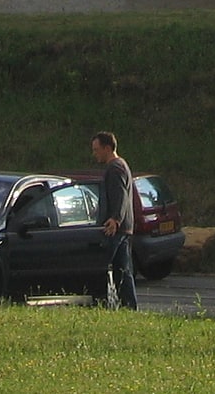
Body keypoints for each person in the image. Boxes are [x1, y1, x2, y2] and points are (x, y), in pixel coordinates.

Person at [90, 130, 138, 310]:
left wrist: (115, 219)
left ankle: (102, 303)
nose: (94, 154)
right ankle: (129, 307)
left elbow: (121, 196)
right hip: (125, 228)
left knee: (100, 267)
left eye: (97, 150)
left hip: (115, 229)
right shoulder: (122, 165)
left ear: (107, 148)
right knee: (123, 271)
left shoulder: (114, 168)